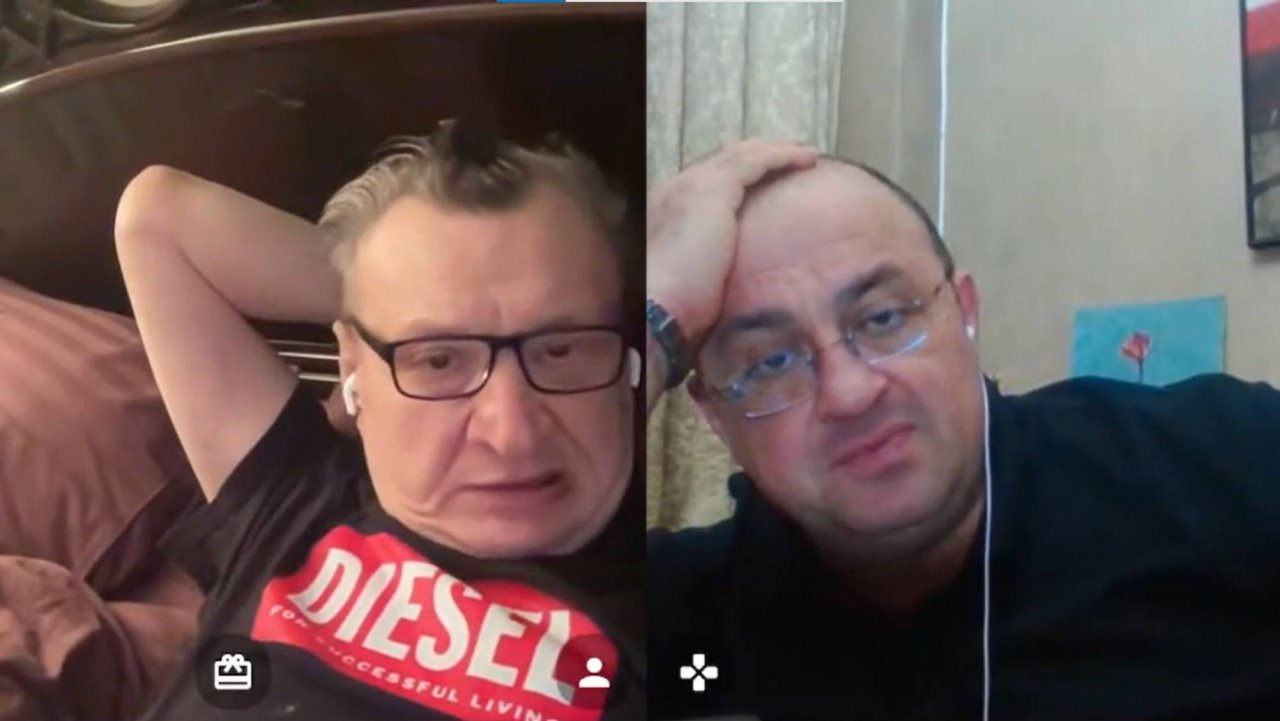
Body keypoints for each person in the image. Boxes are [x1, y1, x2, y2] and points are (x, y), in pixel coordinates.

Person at [644, 139, 1280, 721]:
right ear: (714, 414)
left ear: (965, 312)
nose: (851, 394)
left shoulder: (1219, 464)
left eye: (884, 318)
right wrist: (655, 324)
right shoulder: (684, 616)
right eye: (771, 362)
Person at [116, 120, 645, 720]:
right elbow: (157, 217)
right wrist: (391, 289)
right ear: (354, 367)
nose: (511, 434)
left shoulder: (674, 608)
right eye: (438, 360)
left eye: (562, 349)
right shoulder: (292, 502)